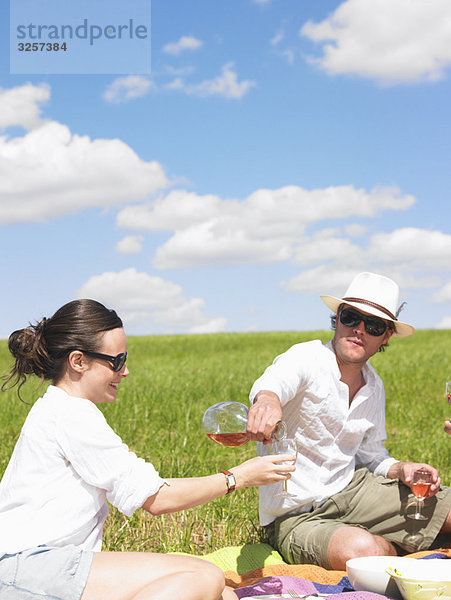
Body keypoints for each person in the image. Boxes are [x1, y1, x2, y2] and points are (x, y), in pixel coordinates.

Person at [0, 299, 295, 600]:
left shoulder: (59, 409)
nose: (125, 371)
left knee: (221, 594)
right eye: (116, 361)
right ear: (78, 361)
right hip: (26, 567)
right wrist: (239, 477)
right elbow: (156, 498)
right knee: (205, 575)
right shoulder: (70, 414)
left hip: (40, 566)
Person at [246, 272, 451, 570]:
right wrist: (267, 400)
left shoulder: (374, 385)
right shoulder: (306, 357)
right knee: (366, 551)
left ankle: (400, 544)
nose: (359, 330)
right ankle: (398, 549)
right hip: (295, 514)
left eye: (375, 325)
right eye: (351, 317)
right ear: (337, 317)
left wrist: (401, 468)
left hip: (353, 491)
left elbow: (372, 456)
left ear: (386, 335)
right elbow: (273, 383)